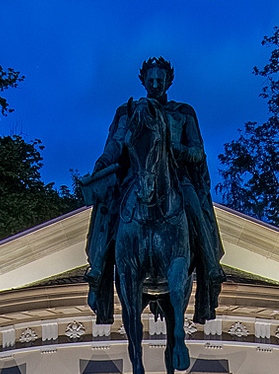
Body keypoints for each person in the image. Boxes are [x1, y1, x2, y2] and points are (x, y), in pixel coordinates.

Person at [77, 57, 224, 326]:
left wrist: (175, 149)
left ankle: (211, 265)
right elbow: (115, 145)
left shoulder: (183, 112)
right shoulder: (128, 111)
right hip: (136, 176)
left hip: (176, 179)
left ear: (169, 80)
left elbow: (198, 151)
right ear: (143, 80)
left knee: (194, 205)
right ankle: (97, 268)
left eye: (161, 79)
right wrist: (100, 167)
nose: (155, 83)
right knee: (108, 208)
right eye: (151, 79)